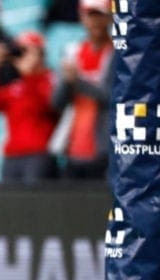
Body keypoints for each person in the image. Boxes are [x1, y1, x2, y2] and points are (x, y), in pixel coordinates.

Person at [0, 31, 59, 184]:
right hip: (12, 154)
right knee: (9, 204)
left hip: (39, 153)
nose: (21, 57)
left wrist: (29, 75)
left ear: (40, 54)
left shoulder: (50, 79)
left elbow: (45, 107)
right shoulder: (17, 85)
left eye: (26, 51)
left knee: (34, 203)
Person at [50, 0, 113, 179]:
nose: (95, 22)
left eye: (100, 15)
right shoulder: (73, 52)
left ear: (110, 18)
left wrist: (77, 81)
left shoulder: (116, 53)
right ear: (81, 17)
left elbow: (113, 97)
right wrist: (66, 82)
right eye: (90, 15)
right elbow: (56, 102)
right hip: (73, 147)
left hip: (103, 147)